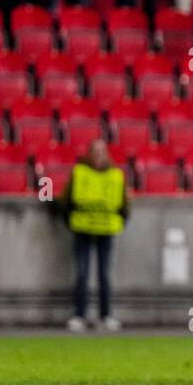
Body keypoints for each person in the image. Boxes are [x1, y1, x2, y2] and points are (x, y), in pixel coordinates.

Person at [61, 140, 129, 332]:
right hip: (82, 229)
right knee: (82, 273)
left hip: (106, 230)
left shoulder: (116, 175)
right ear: (89, 154)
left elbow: (125, 204)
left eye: (102, 152)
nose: (99, 156)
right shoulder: (79, 172)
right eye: (95, 152)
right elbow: (65, 201)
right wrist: (68, 219)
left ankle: (106, 315)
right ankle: (79, 315)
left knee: (104, 274)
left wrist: (119, 222)